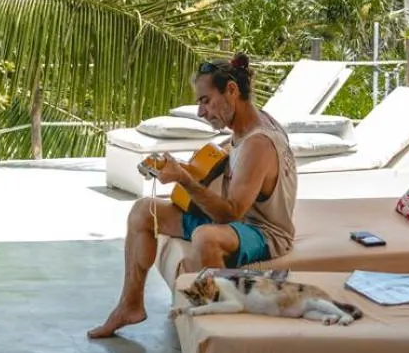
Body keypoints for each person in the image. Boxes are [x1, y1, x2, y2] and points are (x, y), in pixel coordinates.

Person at [88, 52, 297, 338]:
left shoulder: (258, 143)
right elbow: (226, 176)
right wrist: (177, 168)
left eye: (205, 100)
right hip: (238, 222)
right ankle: (130, 305)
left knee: (206, 237)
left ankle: (218, 331)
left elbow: (230, 212)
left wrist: (183, 179)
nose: (201, 112)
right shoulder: (244, 126)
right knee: (142, 210)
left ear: (232, 91)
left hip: (264, 232)